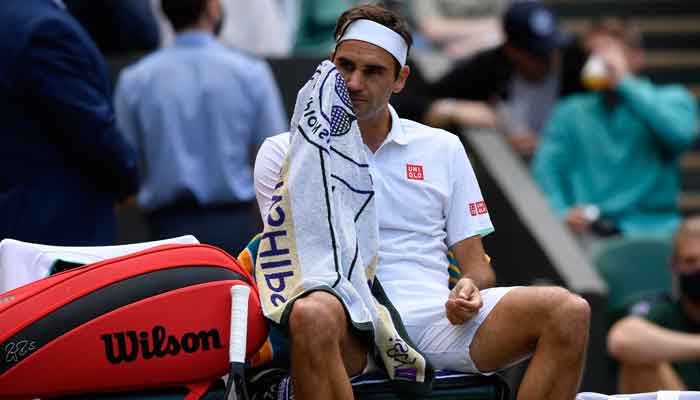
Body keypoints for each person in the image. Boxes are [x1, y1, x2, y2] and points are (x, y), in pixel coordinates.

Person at [253, 4, 591, 399]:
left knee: (569, 311)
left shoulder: (443, 147)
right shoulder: (282, 152)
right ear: (329, 66)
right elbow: (296, 266)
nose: (354, 82)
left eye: (373, 71)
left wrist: (468, 287)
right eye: (344, 66)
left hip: (435, 319)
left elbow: (477, 265)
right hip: (349, 324)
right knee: (311, 312)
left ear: (401, 79)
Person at [114, 0, 287, 255]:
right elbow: (278, 159)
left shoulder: (136, 79)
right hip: (234, 227)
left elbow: (124, 166)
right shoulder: (250, 73)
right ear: (211, 7)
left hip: (165, 231)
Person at [531, 19, 698, 248]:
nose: (599, 60)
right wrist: (561, 212)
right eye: (592, 53)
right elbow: (546, 169)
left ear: (636, 58)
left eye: (608, 52)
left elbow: (680, 135)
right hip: (590, 235)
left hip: (656, 232)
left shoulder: (672, 99)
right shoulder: (571, 110)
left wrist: (623, 82)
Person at [0, 0, 139, 246]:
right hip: (58, 231)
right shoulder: (44, 28)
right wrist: (129, 177)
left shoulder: (16, 17)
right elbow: (91, 129)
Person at [394, 0, 587, 157]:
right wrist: (452, 109)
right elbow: (409, 102)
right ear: (513, 52)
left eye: (553, 48)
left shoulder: (575, 62)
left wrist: (546, 143)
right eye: (538, 55)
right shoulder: (491, 66)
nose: (550, 59)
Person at [608, 216, 700, 392]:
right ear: (674, 265)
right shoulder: (663, 309)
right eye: (690, 261)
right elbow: (623, 339)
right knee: (639, 360)